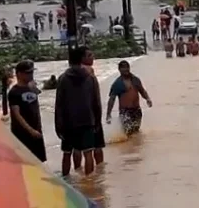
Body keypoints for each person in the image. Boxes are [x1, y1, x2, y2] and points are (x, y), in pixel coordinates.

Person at [55, 46, 102, 176]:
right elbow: (96, 102)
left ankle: (66, 180)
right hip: (87, 120)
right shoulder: (90, 78)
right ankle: (89, 183)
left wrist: (58, 125)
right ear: (81, 60)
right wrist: (97, 121)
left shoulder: (63, 79)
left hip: (68, 122)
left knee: (67, 153)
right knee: (88, 153)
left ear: (69, 61)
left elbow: (59, 104)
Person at [8, 60, 46, 162]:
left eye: (32, 72)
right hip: (22, 133)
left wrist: (33, 87)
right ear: (19, 74)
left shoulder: (31, 87)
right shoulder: (14, 92)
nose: (31, 75)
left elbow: (38, 94)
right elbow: (17, 115)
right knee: (25, 163)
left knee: (39, 162)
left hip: (37, 129)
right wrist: (30, 130)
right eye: (28, 73)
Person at [106, 60, 153, 136]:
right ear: (119, 69)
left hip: (137, 110)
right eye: (123, 67)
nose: (126, 69)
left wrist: (148, 99)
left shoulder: (135, 80)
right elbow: (112, 99)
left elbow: (142, 91)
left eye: (127, 67)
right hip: (125, 112)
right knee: (127, 133)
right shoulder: (117, 84)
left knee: (136, 133)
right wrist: (108, 114)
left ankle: (135, 147)